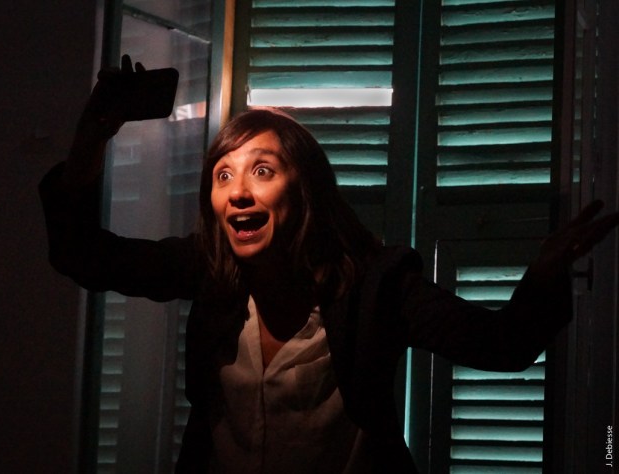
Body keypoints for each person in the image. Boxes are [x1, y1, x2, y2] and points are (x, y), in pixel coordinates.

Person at [39, 56, 619, 473]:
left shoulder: (377, 285)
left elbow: (503, 345)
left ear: (305, 189)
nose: (238, 192)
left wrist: (546, 272)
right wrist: (92, 138)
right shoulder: (209, 272)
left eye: (262, 171)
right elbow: (82, 256)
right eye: (223, 175)